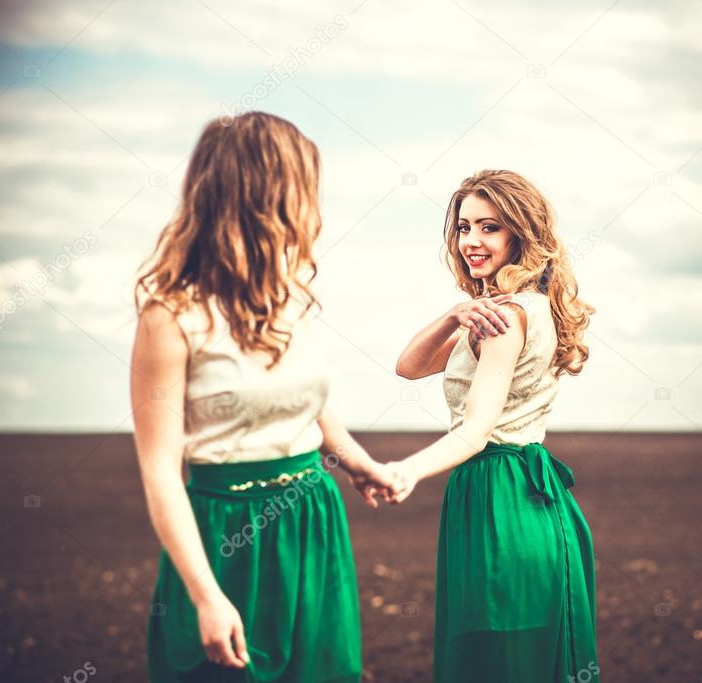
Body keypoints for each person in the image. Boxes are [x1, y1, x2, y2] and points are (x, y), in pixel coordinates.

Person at [129, 111, 400, 682]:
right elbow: (160, 473)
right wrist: (205, 596)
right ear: (266, 195)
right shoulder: (171, 317)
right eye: (305, 187)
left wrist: (355, 461)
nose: (313, 207)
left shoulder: (288, 299)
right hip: (225, 535)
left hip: (311, 519)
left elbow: (306, 399)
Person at [389, 169, 600, 682]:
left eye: (490, 227)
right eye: (463, 228)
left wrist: (405, 471)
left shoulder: (506, 317)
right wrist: (453, 315)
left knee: (496, 660)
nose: (471, 242)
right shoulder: (513, 309)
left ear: (520, 235)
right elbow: (409, 366)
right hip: (521, 498)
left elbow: (475, 430)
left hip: (500, 497)